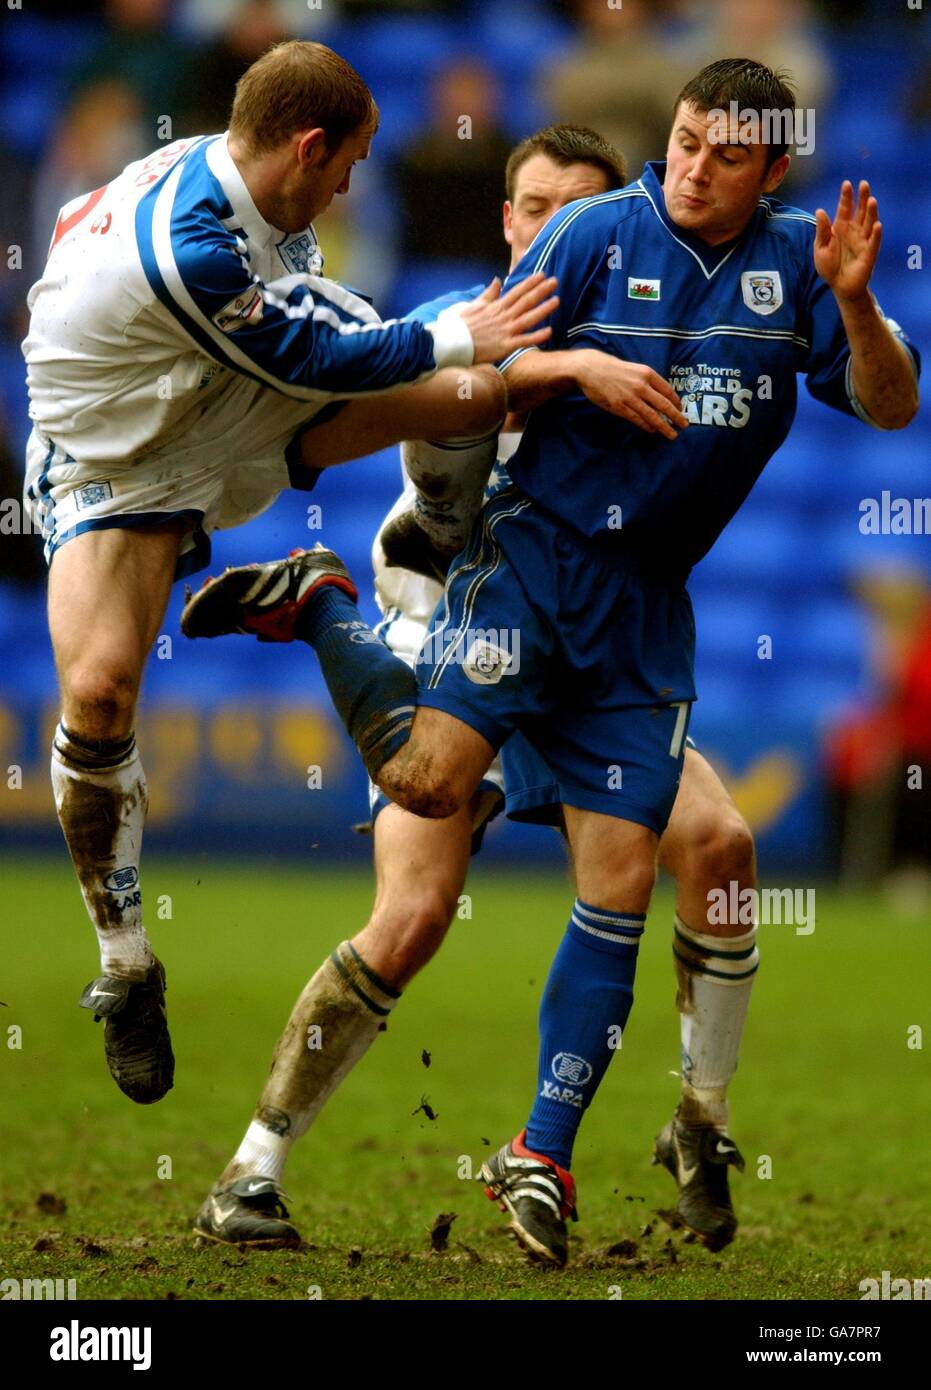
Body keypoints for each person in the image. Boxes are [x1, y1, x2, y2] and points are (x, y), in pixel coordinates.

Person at [181, 59, 920, 1266]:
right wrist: (573, 366)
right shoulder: (582, 247)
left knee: (652, 871)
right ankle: (254, 1164)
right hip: (493, 583)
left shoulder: (796, 267)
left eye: (722, 153)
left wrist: (849, 306)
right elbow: (459, 382)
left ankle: (566, 1147)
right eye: (681, 141)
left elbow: (890, 408)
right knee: (417, 879)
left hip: (635, 616)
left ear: (770, 169)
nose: (690, 166)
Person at [21, 39, 556, 1109]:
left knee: (473, 395)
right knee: (99, 691)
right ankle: (126, 963)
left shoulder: (247, 197)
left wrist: (476, 350)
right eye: (349, 165)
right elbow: (316, 359)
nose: (351, 187)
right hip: (111, 458)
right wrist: (454, 330)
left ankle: (434, 552)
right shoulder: (188, 248)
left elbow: (327, 334)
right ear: (307, 148)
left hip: (211, 392)